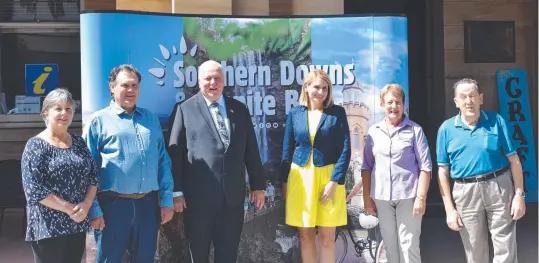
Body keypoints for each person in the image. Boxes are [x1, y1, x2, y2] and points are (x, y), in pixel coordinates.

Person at [167, 60, 266, 263]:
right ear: (198, 81)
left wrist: (258, 185)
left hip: (232, 200)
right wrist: (176, 191)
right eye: (208, 78)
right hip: (198, 200)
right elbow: (174, 154)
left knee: (228, 255)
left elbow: (251, 150)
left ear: (224, 81)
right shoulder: (184, 109)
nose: (213, 82)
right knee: (199, 254)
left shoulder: (239, 109)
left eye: (217, 78)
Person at [83, 64, 175, 262]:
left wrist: (167, 200)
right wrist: (93, 208)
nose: (131, 90)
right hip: (113, 206)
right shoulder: (98, 121)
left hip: (148, 205)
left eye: (135, 85)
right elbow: (87, 169)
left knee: (145, 258)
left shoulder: (150, 119)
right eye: (125, 85)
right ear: (112, 87)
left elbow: (163, 161)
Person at [436, 78, 526, 263]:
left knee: (505, 248)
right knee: (474, 251)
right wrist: (449, 209)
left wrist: (519, 195)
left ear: (481, 98)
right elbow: (442, 172)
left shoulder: (496, 121)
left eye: (473, 95)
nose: (468, 101)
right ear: (456, 102)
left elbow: (514, 160)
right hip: (465, 192)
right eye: (463, 97)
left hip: (499, 186)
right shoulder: (446, 129)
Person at [280, 69, 351, 263]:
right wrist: (284, 184)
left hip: (329, 179)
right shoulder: (295, 113)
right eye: (316, 87)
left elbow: (345, 150)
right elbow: (287, 151)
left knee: (328, 238)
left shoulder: (337, 113)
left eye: (325, 88)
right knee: (306, 236)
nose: (320, 92)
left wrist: (334, 181)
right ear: (306, 87)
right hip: (300, 179)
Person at [21, 88, 99, 263]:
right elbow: (34, 190)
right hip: (48, 228)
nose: (64, 113)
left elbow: (93, 177)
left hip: (76, 224)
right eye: (58, 108)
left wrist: (86, 206)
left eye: (69, 109)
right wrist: (70, 209)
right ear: (45, 112)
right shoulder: (35, 146)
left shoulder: (79, 142)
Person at [361, 83, 432, 263]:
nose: (394, 107)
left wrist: (421, 198)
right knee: (390, 247)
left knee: (409, 246)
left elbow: (426, 167)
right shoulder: (373, 132)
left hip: (409, 196)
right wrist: (366, 199)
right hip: (382, 198)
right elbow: (366, 167)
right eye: (390, 102)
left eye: (398, 102)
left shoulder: (415, 130)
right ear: (382, 104)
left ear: (404, 105)